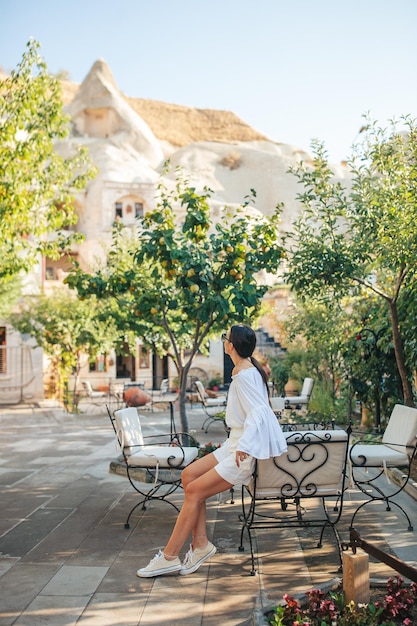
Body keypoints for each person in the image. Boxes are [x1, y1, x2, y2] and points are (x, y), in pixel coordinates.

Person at [136, 324, 287, 578]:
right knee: (188, 476)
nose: (224, 341)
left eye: (225, 338)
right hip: (234, 444)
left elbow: (260, 413)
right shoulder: (244, 370)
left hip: (242, 451)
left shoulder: (246, 373)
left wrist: (248, 446)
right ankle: (201, 545)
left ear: (231, 345)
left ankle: (169, 557)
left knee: (194, 491)